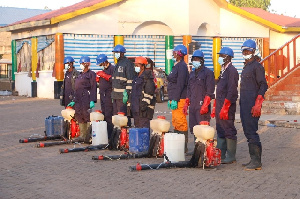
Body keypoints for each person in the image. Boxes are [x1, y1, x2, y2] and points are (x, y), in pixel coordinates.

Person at [240, 39, 268, 170]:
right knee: (247, 131)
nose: (246, 53)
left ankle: (257, 162)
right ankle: (253, 159)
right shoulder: (246, 66)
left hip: (252, 105)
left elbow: (263, 85)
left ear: (253, 51)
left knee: (252, 132)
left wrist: (258, 104)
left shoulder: (257, 66)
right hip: (244, 104)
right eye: (244, 50)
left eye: (248, 51)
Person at [211, 47, 239, 164]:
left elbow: (232, 90)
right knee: (220, 128)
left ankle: (231, 156)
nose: (220, 58)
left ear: (227, 57)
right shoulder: (223, 70)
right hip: (220, 104)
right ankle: (221, 154)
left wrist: (226, 107)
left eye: (222, 56)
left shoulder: (232, 71)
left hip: (227, 105)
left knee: (228, 128)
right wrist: (216, 106)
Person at [183, 50, 215, 138]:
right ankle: (197, 150)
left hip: (202, 106)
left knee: (203, 130)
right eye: (194, 59)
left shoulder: (208, 73)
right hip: (193, 106)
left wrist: (205, 104)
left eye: (197, 59)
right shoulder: (192, 74)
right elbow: (189, 89)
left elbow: (210, 90)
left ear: (202, 60)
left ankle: (204, 150)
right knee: (194, 129)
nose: (195, 61)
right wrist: (186, 103)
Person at [67, 56, 97, 143]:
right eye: (80, 63)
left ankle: (87, 136)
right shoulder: (80, 75)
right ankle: (82, 136)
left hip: (86, 98)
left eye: (83, 63)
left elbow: (93, 87)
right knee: (79, 115)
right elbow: (77, 88)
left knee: (86, 116)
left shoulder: (91, 74)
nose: (81, 65)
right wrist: (74, 100)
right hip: (78, 99)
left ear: (87, 64)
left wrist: (92, 100)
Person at [167, 44, 189, 152]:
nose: (173, 54)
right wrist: (171, 99)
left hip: (180, 98)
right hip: (175, 97)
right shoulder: (176, 65)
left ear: (180, 53)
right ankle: (178, 144)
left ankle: (183, 146)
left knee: (180, 121)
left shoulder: (182, 66)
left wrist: (175, 99)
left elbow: (180, 84)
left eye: (175, 53)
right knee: (175, 121)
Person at [128, 56, 156, 128]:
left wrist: (143, 106)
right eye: (135, 65)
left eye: (137, 65)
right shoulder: (136, 77)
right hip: (136, 109)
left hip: (143, 112)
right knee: (137, 130)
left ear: (143, 66)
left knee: (143, 130)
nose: (135, 67)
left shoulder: (147, 78)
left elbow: (149, 94)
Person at [111, 44, 135, 126]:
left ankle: (126, 133)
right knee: (116, 117)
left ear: (122, 53)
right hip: (115, 96)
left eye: (117, 52)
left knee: (123, 117)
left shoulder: (127, 64)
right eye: (115, 53)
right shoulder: (117, 64)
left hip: (122, 96)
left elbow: (130, 80)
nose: (115, 54)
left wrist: (127, 93)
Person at [95, 54, 115, 141]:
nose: (100, 66)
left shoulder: (112, 69)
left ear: (104, 62)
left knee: (109, 115)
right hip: (103, 95)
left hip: (109, 96)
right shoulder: (104, 69)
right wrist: (99, 80)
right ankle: (105, 135)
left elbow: (114, 80)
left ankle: (110, 136)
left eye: (100, 64)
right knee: (104, 115)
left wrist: (105, 76)